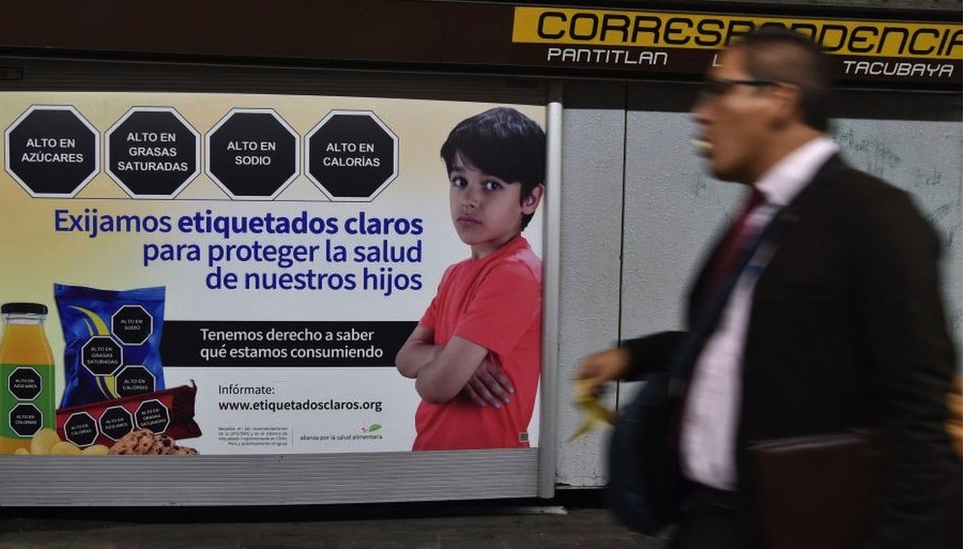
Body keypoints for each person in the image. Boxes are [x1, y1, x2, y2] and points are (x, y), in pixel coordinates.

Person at [577, 28, 959, 549]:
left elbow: (920, 417)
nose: (701, 112)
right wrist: (633, 356)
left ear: (780, 99)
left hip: (799, 529)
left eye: (719, 90)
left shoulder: (875, 219)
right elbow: (746, 343)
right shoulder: (762, 220)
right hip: (709, 521)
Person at [396, 107, 545, 451]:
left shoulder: (516, 274)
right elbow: (405, 358)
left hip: (485, 466)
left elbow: (434, 386)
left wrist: (447, 365)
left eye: (491, 185)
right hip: (434, 456)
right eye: (460, 181)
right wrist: (454, 358)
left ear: (530, 198)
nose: (470, 199)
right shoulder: (456, 274)